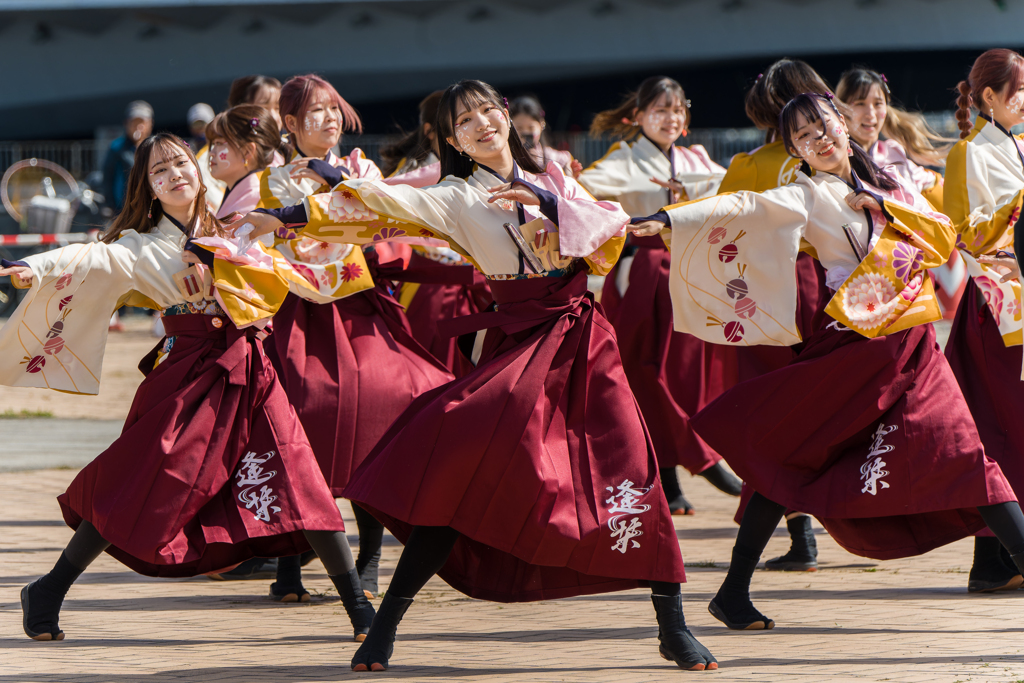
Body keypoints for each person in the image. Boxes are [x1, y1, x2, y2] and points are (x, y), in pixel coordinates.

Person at [235, 79, 719, 673]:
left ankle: (673, 626)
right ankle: (384, 627)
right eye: (465, 120)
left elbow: (607, 230)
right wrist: (281, 215)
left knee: (632, 470)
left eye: (488, 109)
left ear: (505, 114)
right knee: (462, 474)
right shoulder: (456, 195)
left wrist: (546, 204)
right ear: (452, 138)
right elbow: (379, 203)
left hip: (585, 341)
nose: (482, 123)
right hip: (520, 345)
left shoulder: (556, 173)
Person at [631, 92, 1024, 633]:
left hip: (912, 348)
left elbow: (941, 240)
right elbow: (745, 209)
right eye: (803, 137)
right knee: (793, 458)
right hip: (853, 347)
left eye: (823, 126)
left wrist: (888, 209)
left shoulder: (888, 180)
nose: (819, 140)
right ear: (795, 149)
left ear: (841, 123)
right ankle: (732, 591)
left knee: (969, 458)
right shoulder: (806, 194)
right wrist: (669, 218)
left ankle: (732, 592)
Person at [1, 133, 374, 642]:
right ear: (149, 189)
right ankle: (48, 590)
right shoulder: (140, 245)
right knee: (146, 480)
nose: (175, 174)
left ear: (197, 171)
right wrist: (32, 266)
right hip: (189, 373)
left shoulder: (239, 225)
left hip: (252, 368)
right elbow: (85, 258)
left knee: (300, 475)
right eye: (160, 172)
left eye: (180, 163)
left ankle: (359, 610)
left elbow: (304, 262)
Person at [255, 73, 455, 604]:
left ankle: (369, 554)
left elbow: (390, 225)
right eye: (315, 112)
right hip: (297, 316)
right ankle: (289, 560)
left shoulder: (363, 170)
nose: (329, 119)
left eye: (334, 109)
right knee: (293, 428)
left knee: (383, 416)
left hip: (362, 309)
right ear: (290, 124)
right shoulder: (270, 184)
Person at [578, 76, 741, 515]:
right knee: (644, 373)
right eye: (660, 110)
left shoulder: (698, 159)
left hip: (689, 272)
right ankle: (682, 468)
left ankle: (685, 461)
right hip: (644, 273)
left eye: (676, 110)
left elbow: (737, 191)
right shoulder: (625, 160)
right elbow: (585, 190)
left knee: (685, 373)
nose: (670, 118)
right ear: (639, 117)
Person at [715, 58, 835, 571]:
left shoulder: (751, 166)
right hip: (835, 290)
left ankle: (799, 535)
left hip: (767, 294)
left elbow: (718, 233)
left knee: (774, 416)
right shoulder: (836, 158)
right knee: (828, 407)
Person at [943, 48, 1024, 593]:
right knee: (1000, 426)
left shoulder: (1014, 145)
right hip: (998, 308)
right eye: (1019, 92)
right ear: (990, 97)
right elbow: (968, 233)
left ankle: (995, 561)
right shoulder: (969, 154)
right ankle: (994, 557)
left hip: (1017, 302)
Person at [836, 67, 965, 319]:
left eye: (878, 103)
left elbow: (930, 187)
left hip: (905, 272)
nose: (871, 113)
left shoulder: (894, 153)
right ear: (841, 109)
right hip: (856, 276)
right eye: (859, 103)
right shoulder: (834, 159)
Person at [207, 105, 283, 220]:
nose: (211, 153)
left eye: (219, 143)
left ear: (248, 151)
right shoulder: (255, 187)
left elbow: (232, 237)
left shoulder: (257, 194)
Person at [102, 100, 153, 215]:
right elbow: (107, 178)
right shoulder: (116, 148)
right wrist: (111, 206)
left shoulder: (155, 148)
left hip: (150, 209)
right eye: (134, 123)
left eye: (142, 123)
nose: (138, 127)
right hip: (123, 210)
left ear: (150, 124)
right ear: (126, 124)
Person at [509, 95, 579, 177]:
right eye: (519, 128)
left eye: (531, 127)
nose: (525, 132)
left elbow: (567, 186)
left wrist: (571, 177)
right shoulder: (506, 158)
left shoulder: (556, 159)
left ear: (541, 125)